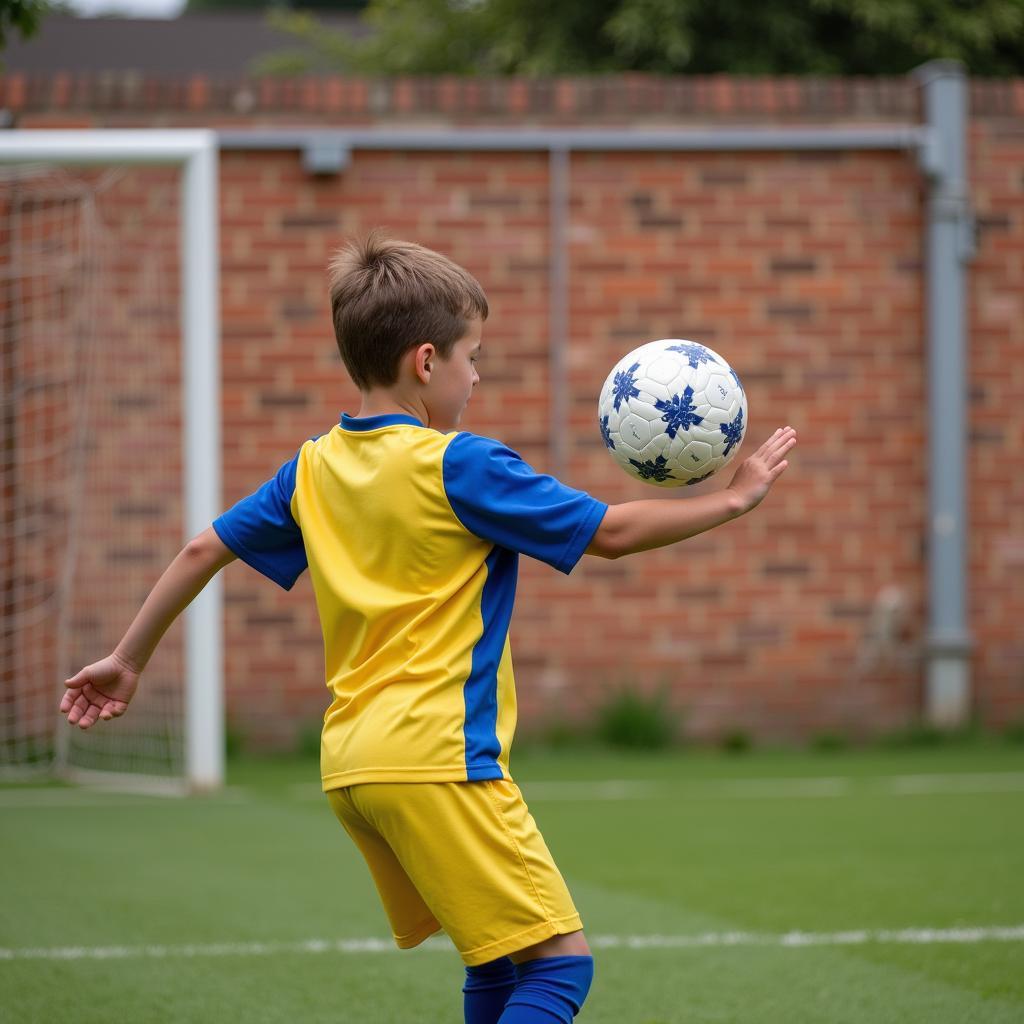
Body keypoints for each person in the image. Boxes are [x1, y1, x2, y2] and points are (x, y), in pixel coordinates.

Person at [60, 233, 797, 1023]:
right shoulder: (461, 465)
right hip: (439, 759)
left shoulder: (311, 467)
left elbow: (203, 547)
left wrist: (125, 658)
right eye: (472, 357)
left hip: (352, 766)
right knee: (559, 970)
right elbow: (609, 533)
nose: (476, 377)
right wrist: (731, 500)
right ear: (425, 362)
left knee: (495, 959)